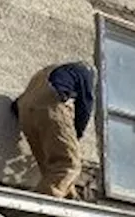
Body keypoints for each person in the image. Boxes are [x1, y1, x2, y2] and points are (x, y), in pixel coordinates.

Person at [11, 61, 95, 199]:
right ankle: (41, 204)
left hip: (25, 114)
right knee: (68, 165)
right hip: (51, 105)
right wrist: (75, 136)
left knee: (52, 171)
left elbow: (18, 105)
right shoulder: (86, 72)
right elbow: (85, 105)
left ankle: (70, 197)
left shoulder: (46, 74)